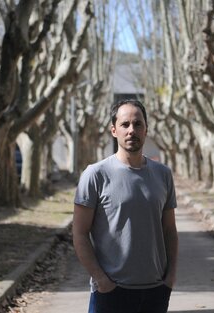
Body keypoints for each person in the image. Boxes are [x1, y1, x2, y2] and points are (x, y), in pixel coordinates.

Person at [73, 99, 178, 313]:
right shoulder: (95, 175)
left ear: (146, 130)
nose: (132, 130)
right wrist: (102, 280)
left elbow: (170, 231)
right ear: (114, 130)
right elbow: (80, 234)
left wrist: (170, 278)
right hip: (110, 293)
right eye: (125, 124)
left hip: (155, 291)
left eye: (138, 124)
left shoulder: (163, 174)